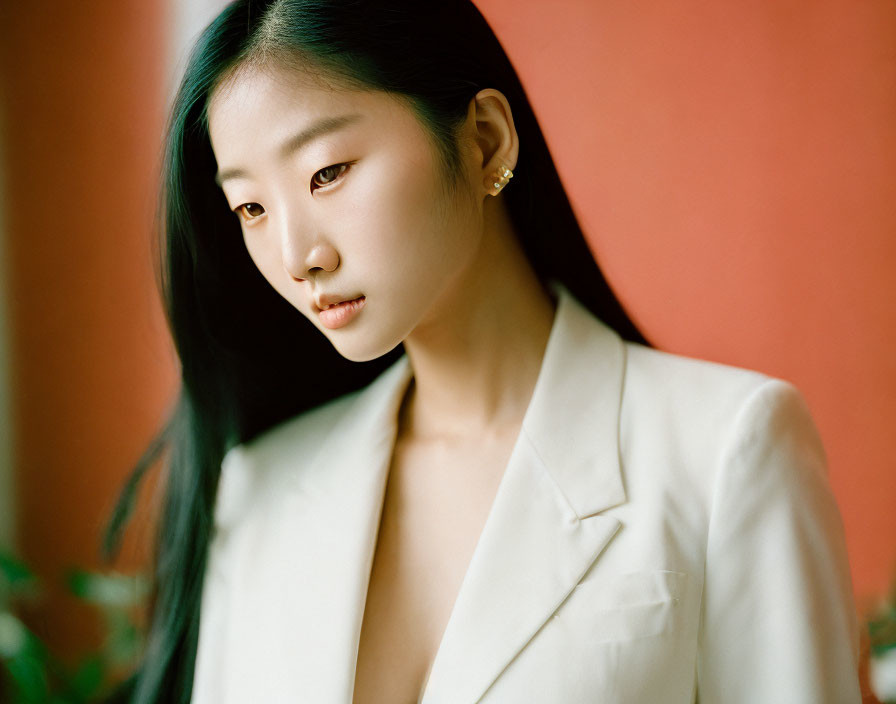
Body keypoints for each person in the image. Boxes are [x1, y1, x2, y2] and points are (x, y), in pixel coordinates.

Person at [102, 0, 862, 702]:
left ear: (485, 139)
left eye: (326, 172)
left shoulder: (727, 449)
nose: (297, 253)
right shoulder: (262, 485)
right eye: (252, 207)